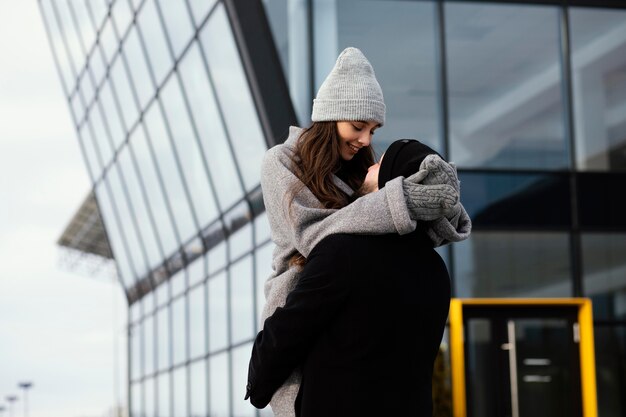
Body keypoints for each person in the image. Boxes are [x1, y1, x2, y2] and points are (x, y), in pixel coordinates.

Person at [259, 47, 464, 416]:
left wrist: (422, 200)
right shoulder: (281, 162)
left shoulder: (359, 168)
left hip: (346, 317)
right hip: (296, 301)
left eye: (373, 130)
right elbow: (314, 237)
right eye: (358, 127)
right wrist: (396, 203)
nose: (367, 140)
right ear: (331, 116)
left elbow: (365, 247)